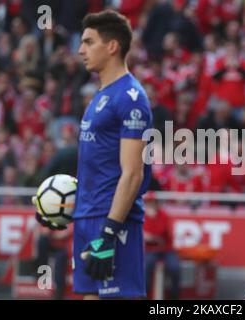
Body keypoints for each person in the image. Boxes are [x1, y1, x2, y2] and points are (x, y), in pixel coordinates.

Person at [35, 10, 153, 300]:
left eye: (88, 42)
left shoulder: (130, 98)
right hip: (88, 218)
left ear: (112, 46)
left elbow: (133, 173)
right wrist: (62, 206)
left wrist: (110, 232)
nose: (80, 49)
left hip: (113, 223)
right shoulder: (101, 96)